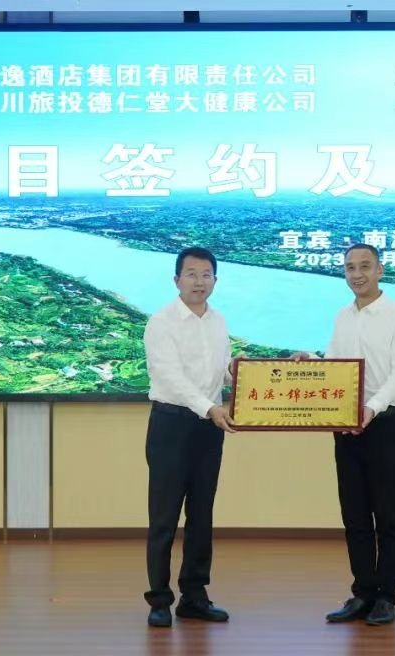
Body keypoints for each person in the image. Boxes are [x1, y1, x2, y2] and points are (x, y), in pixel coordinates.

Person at [297, 243, 395, 626]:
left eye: (365, 266)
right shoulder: (342, 317)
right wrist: (312, 364)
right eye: (350, 268)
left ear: (380, 270)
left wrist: (372, 407)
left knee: (388, 515)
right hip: (347, 426)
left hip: (385, 425)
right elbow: (336, 368)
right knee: (354, 514)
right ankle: (363, 592)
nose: (357, 274)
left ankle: (387, 597)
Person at [142, 246, 236, 628]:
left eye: (206, 274)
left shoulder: (218, 320)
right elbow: (171, 378)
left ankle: (194, 597)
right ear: (176, 279)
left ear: (215, 279)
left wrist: (247, 375)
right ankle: (159, 600)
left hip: (209, 429)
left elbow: (223, 372)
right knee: (164, 516)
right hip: (171, 424)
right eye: (192, 274)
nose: (199, 281)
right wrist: (210, 407)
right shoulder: (161, 322)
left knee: (201, 515)